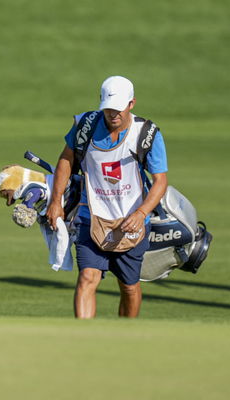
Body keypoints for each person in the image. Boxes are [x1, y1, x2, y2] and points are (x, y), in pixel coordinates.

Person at [46, 76, 168, 319]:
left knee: (129, 285)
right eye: (109, 109)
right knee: (87, 278)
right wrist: (56, 201)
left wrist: (141, 213)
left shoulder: (146, 133)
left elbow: (160, 181)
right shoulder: (85, 125)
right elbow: (66, 159)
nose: (113, 115)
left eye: (119, 109)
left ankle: (125, 335)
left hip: (131, 220)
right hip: (90, 215)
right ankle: (85, 337)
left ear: (131, 104)